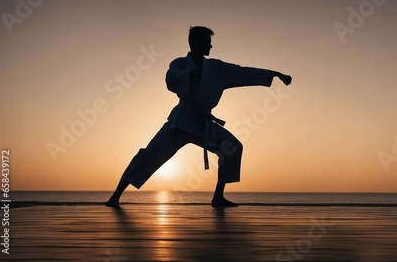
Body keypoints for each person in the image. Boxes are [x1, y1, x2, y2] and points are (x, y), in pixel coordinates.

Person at [106, 26, 292, 208]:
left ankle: (218, 197)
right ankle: (115, 196)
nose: (211, 47)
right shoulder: (180, 63)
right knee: (150, 154)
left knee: (232, 147)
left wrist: (273, 74)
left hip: (203, 124)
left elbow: (242, 72)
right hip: (180, 122)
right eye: (207, 42)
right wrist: (193, 73)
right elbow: (171, 79)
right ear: (195, 43)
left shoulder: (216, 68)